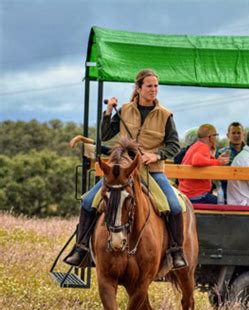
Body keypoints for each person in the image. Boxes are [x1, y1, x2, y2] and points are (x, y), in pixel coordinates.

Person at [64, 68, 187, 269]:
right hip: (122, 170)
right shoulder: (124, 110)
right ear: (138, 88)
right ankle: (81, 248)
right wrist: (109, 112)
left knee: (173, 206)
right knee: (88, 201)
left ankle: (176, 252)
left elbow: (174, 145)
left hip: (151, 171)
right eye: (149, 86)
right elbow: (104, 135)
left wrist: (155, 155)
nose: (153, 90)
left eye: (156, 86)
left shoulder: (165, 115)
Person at [178, 123, 230, 203]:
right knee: (225, 204)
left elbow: (202, 160)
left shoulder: (195, 146)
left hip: (186, 194)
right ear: (210, 137)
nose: (216, 138)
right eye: (215, 135)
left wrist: (215, 159)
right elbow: (196, 160)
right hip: (196, 195)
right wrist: (218, 162)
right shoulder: (203, 146)